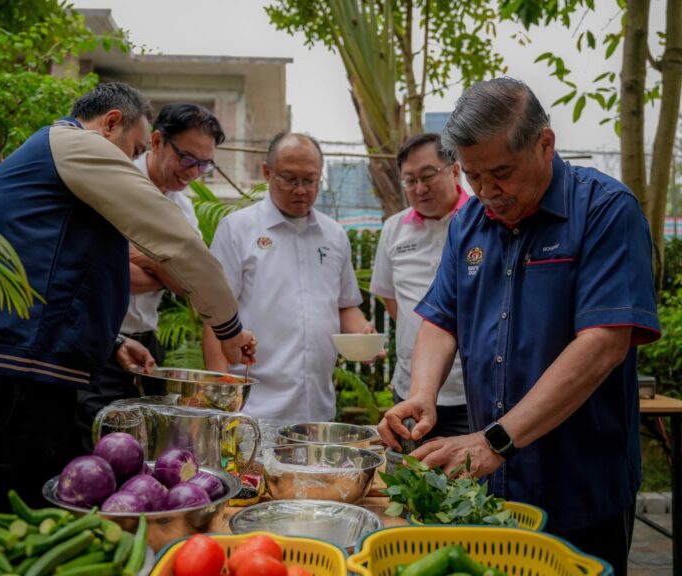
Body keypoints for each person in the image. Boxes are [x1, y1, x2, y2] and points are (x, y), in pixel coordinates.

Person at [377, 77, 660, 575]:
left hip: (581, 486)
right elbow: (441, 320)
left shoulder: (605, 211)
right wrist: (422, 394)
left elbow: (602, 345)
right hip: (491, 489)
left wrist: (495, 440)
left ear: (544, 143)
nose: (487, 192)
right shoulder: (471, 223)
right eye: (472, 176)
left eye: (501, 173)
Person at [0, 82, 256, 511]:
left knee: (27, 525)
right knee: (22, 530)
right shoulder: (75, 145)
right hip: (11, 388)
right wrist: (228, 327)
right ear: (109, 124)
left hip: (9, 383)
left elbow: (46, 278)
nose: (132, 164)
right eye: (135, 149)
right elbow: (176, 242)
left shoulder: (50, 164)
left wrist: (114, 342)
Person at [202, 132, 375, 425]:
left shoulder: (334, 235)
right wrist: (222, 406)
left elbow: (345, 305)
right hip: (251, 411)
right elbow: (214, 317)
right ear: (267, 172)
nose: (300, 190)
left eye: (310, 181)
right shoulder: (237, 229)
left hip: (318, 409)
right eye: (289, 179)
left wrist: (363, 335)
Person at [77, 102, 223, 448]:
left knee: (144, 449)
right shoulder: (114, 182)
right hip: (101, 341)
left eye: (205, 164)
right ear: (157, 141)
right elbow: (95, 270)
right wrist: (164, 264)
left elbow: (188, 280)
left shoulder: (182, 207)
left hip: (147, 345)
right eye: (188, 158)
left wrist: (143, 259)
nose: (194, 171)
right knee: (94, 448)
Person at [370, 133, 469, 441]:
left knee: (469, 485)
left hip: (471, 394)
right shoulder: (394, 229)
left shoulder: (483, 221)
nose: (420, 189)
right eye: (410, 181)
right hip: (410, 391)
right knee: (409, 479)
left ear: (454, 171)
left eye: (428, 176)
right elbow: (390, 297)